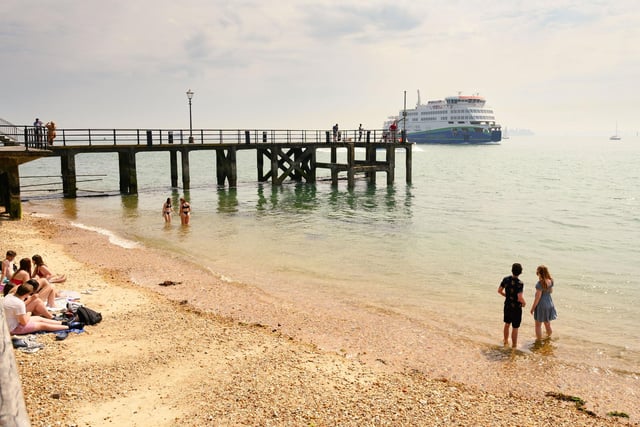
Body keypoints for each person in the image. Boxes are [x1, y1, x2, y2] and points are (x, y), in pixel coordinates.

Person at [3, 282, 68, 335]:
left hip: (8, 324)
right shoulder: (19, 303)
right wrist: (28, 313)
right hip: (12, 328)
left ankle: (63, 323)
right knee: (42, 325)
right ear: (26, 294)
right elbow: (24, 322)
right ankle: (68, 327)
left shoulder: (9, 296)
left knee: (39, 318)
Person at [498, 262, 526, 348]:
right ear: (520, 272)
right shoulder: (520, 283)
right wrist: (524, 303)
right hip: (516, 308)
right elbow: (519, 297)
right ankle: (514, 345)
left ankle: (505, 341)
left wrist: (507, 296)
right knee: (515, 327)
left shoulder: (506, 279)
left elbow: (499, 290)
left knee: (507, 324)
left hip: (507, 305)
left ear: (512, 270)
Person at [530, 265, 557, 340]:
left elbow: (537, 298)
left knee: (538, 325)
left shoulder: (539, 284)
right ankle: (549, 339)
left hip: (541, 305)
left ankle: (538, 341)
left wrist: (532, 308)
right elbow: (551, 291)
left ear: (539, 273)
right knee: (547, 324)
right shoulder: (551, 280)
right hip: (549, 303)